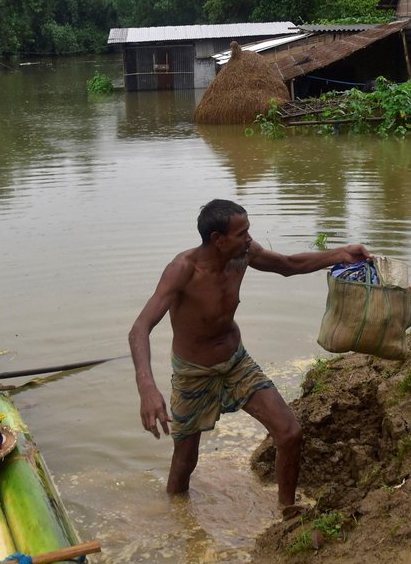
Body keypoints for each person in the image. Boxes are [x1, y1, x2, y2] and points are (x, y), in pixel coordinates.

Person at [127, 199, 372, 519]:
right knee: (184, 462)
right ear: (218, 239)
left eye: (248, 232)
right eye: (242, 233)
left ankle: (287, 510)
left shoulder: (243, 254)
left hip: (236, 362)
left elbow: (288, 264)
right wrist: (147, 389)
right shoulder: (183, 269)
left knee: (289, 433)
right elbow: (139, 329)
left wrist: (341, 253)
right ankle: (179, 526)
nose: (249, 239)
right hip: (194, 372)